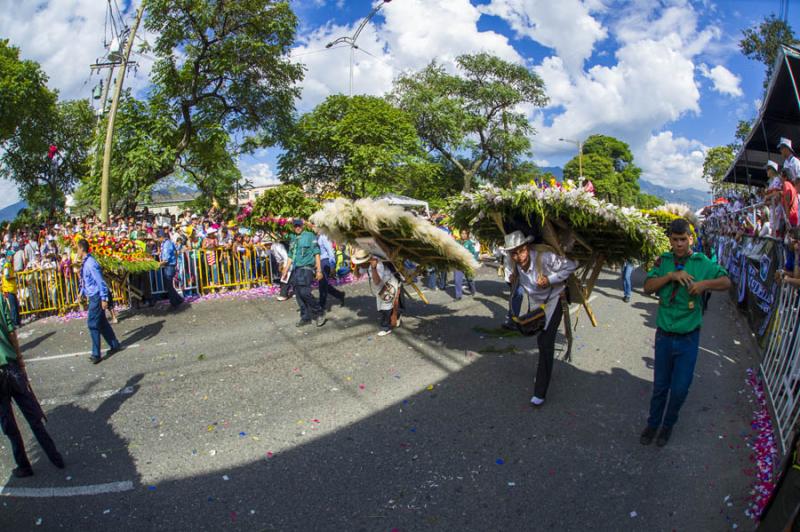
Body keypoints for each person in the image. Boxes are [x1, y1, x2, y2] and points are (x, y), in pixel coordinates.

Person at [640, 218, 731, 447]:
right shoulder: (665, 260)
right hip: (664, 336)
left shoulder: (701, 262)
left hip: (688, 338)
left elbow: (727, 282)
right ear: (670, 240)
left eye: (683, 239)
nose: (679, 244)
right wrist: (670, 276)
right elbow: (648, 287)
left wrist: (703, 285)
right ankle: (653, 424)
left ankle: (668, 424)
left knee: (679, 389)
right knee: (660, 386)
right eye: (675, 240)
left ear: (691, 239)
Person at [503, 230, 577, 406]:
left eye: (521, 251)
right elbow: (508, 275)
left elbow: (572, 265)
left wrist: (551, 279)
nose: (519, 256)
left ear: (527, 248)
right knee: (539, 338)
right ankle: (543, 369)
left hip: (555, 299)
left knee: (545, 340)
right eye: (514, 253)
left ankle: (540, 392)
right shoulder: (511, 261)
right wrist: (511, 279)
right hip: (537, 303)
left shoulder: (544, 257)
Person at [0, 295, 64, 477]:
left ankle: (24, 465)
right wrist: (20, 360)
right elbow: (12, 331)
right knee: (32, 415)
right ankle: (55, 457)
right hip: (11, 366)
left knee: (9, 424)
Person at [77, 238, 121, 364]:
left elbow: (100, 282)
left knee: (92, 324)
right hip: (92, 296)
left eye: (77, 249)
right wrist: (81, 293)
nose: (77, 251)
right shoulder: (86, 263)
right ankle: (114, 344)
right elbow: (87, 282)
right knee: (102, 323)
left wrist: (104, 298)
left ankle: (96, 354)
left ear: (81, 248)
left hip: (96, 297)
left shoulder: (91, 263)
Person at [284, 219, 326, 327]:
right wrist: (285, 270)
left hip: (307, 268)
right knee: (298, 293)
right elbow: (290, 255)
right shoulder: (293, 238)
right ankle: (305, 317)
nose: (297, 227)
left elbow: (317, 253)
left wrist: (319, 270)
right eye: (295, 226)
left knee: (305, 292)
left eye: (299, 225)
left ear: (302, 226)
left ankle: (319, 312)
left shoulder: (309, 235)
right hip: (296, 269)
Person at [352, 249, 402, 336]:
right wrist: (356, 265)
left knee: (385, 307)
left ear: (366, 261)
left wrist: (374, 268)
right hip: (381, 286)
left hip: (389, 284)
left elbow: (377, 281)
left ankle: (386, 327)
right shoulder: (365, 264)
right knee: (381, 306)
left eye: (361, 263)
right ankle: (397, 315)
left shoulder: (378, 264)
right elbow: (357, 275)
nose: (360, 265)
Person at [316, 231, 345, 309]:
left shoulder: (324, 236)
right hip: (319, 262)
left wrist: (332, 266)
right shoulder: (315, 237)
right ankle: (340, 295)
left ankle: (321, 305)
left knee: (322, 285)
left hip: (325, 261)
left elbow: (330, 251)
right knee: (324, 284)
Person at [159, 227, 184, 308]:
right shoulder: (168, 242)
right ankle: (178, 300)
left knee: (169, 285)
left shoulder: (166, 244)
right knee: (169, 285)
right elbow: (176, 251)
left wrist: (157, 264)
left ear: (161, 236)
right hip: (170, 266)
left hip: (169, 266)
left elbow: (166, 259)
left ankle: (175, 302)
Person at [453, 228, 478, 300]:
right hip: (458, 264)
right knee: (457, 280)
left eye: (465, 233)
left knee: (470, 279)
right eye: (462, 233)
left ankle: (472, 290)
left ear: (467, 235)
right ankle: (458, 296)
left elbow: (473, 253)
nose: (463, 235)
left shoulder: (470, 243)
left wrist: (472, 262)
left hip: (467, 264)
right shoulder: (456, 242)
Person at [3, 249, 20, 326]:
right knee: (13, 308)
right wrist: (14, 277)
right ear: (9, 257)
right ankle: (14, 323)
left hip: (13, 289)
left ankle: (18, 322)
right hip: (9, 290)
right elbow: (7, 277)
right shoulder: (6, 265)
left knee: (16, 306)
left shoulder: (10, 265)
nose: (13, 258)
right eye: (12, 256)